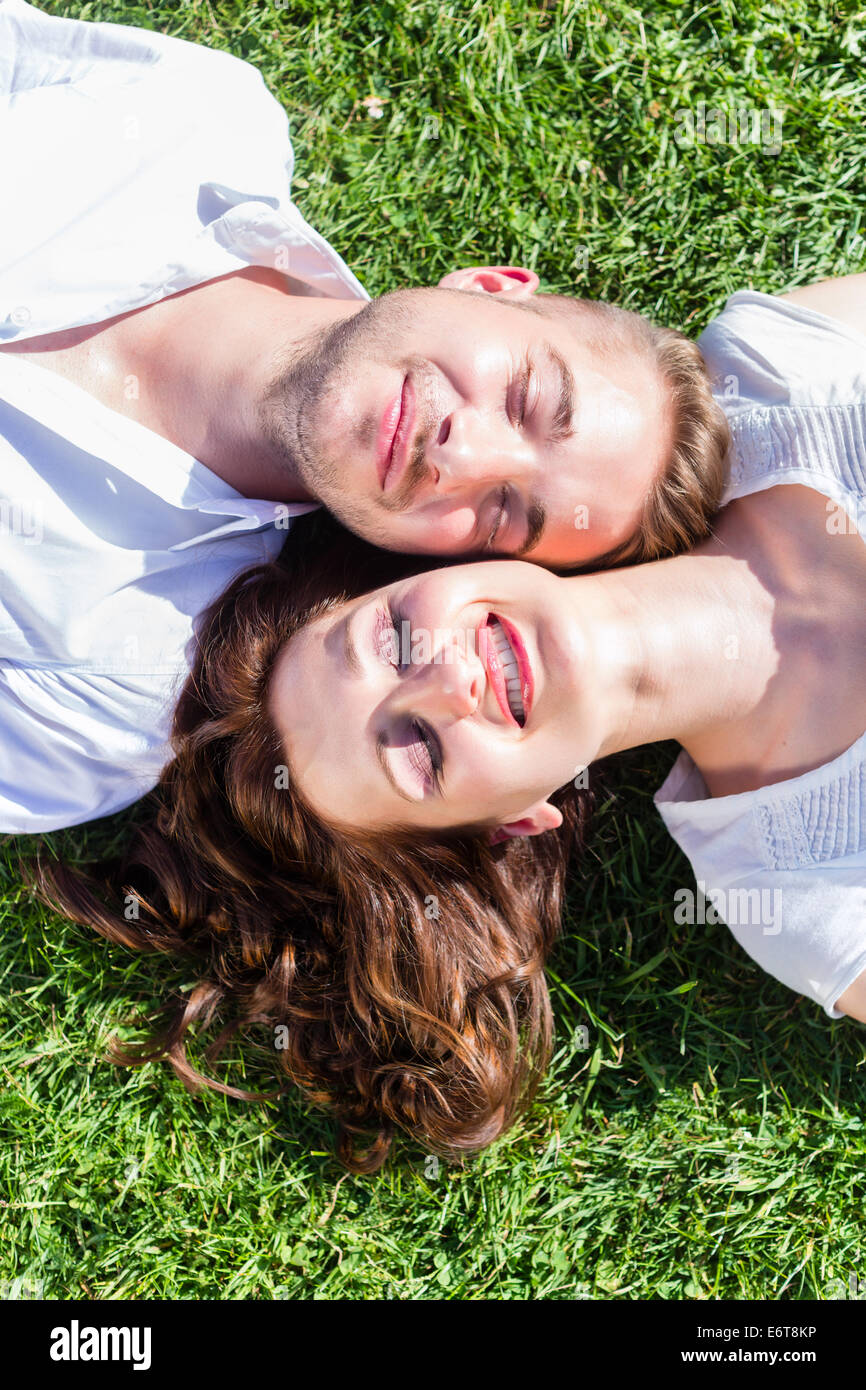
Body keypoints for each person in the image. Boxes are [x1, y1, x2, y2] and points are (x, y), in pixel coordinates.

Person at [29, 281, 866, 1172]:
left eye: (393, 637)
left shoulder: (779, 376)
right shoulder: (803, 892)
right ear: (515, 820)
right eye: (420, 750)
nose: (447, 681)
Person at [0, 0, 729, 830]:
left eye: (500, 512)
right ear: (490, 287)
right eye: (526, 398)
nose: (467, 453)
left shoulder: (113, 686)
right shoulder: (197, 122)